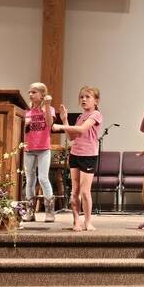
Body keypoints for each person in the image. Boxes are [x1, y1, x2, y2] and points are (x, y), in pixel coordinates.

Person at [52, 86, 103, 231]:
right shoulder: (80, 117)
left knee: (85, 192)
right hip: (75, 154)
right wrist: (65, 120)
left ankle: (88, 221)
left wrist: (60, 126)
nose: (83, 99)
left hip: (88, 156)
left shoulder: (96, 114)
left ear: (96, 100)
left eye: (87, 97)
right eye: (81, 97)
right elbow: (71, 137)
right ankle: (76, 222)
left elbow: (82, 129)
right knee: (74, 191)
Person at [23, 82, 56, 222]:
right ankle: (30, 212)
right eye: (29, 92)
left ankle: (49, 212)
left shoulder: (49, 108)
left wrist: (47, 105)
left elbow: (49, 124)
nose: (30, 94)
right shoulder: (27, 111)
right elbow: (23, 130)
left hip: (43, 149)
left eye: (34, 92)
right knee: (30, 180)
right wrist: (24, 124)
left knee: (43, 178)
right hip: (29, 149)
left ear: (42, 94)